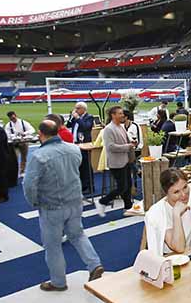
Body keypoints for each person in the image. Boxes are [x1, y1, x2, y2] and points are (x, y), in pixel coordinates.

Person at [23, 120, 104, 291]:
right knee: (78, 235)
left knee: (53, 246)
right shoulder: (73, 148)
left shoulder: (38, 156)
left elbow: (29, 184)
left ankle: (58, 282)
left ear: (41, 134)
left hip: (51, 206)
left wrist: (33, 201)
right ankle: (94, 264)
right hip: (75, 201)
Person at [143, 168, 191, 257]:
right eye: (176, 192)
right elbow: (179, 247)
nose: (184, 195)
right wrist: (176, 215)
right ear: (166, 194)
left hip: (188, 252)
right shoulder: (156, 213)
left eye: (185, 187)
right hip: (168, 258)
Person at [94, 106, 137, 216]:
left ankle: (128, 207)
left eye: (122, 113)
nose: (122, 115)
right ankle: (102, 201)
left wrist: (131, 142)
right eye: (120, 113)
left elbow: (124, 141)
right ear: (113, 115)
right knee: (122, 187)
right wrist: (128, 146)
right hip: (116, 163)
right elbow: (110, 147)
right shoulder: (109, 129)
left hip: (125, 160)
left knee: (128, 185)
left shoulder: (120, 127)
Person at [67, 102, 95, 193]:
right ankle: (83, 185)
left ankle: (90, 187)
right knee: (79, 166)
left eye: (78, 108)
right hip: (76, 144)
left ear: (83, 109)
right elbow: (68, 125)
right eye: (75, 108)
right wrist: (71, 118)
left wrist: (78, 118)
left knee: (86, 166)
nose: (76, 110)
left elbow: (86, 127)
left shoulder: (89, 117)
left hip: (85, 145)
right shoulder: (75, 118)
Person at [4, 110, 34, 177]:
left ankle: (22, 171)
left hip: (23, 142)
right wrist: (13, 136)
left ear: (16, 115)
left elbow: (32, 130)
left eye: (14, 118)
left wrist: (24, 133)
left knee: (24, 158)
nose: (13, 119)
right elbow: (7, 134)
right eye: (11, 119)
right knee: (14, 158)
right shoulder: (8, 125)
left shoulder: (23, 122)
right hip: (14, 143)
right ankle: (14, 172)